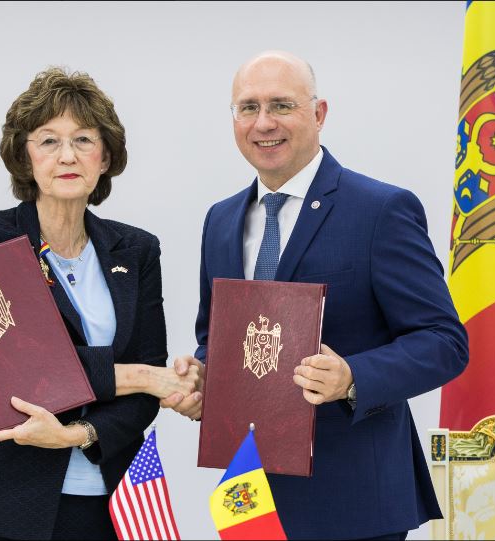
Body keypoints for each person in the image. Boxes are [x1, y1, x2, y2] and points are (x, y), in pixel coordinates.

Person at [161, 51, 469, 540]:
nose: (264, 123)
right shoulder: (220, 220)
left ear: (319, 113)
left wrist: (353, 377)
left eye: (281, 105)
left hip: (353, 501)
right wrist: (203, 375)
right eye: (248, 108)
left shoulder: (380, 210)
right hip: (250, 494)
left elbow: (444, 342)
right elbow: (216, 336)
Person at [0, 67, 199, 540]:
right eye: (48, 141)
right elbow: (13, 367)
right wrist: (138, 375)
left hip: (107, 499)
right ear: (25, 156)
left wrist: (79, 435)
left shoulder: (137, 250)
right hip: (2, 503)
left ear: (105, 157)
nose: (67, 156)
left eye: (83, 139)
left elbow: (145, 396)